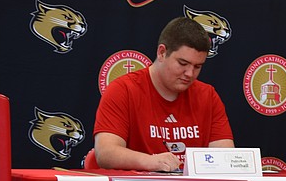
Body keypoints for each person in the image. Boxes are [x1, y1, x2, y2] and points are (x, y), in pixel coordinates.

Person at [93, 17, 234, 171]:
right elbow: (106, 153)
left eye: (198, 66)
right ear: (162, 53)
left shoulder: (208, 96)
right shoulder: (123, 90)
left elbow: (225, 157)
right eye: (182, 63)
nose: (190, 73)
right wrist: (151, 162)